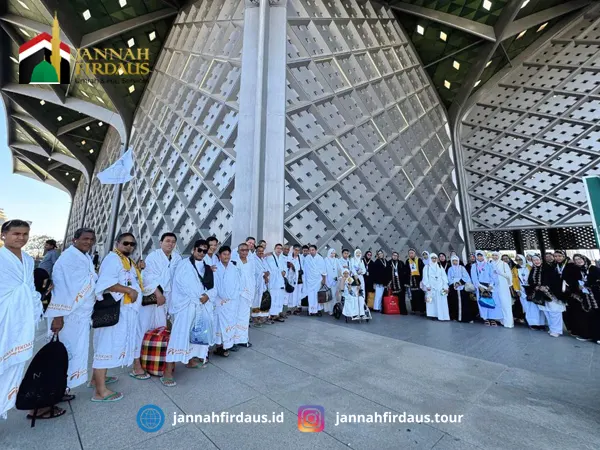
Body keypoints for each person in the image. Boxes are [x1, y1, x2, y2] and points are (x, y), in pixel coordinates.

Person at [0, 220, 47, 419]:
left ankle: (2, 406)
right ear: (3, 235)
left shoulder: (28, 259)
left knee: (15, 365)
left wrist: (36, 308)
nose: (21, 237)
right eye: (16, 233)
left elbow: (29, 287)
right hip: (3, 316)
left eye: (25, 234)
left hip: (22, 318)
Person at [92, 232, 144, 403]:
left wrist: (138, 270)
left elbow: (128, 278)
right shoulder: (112, 259)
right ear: (117, 243)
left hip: (126, 310)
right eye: (126, 243)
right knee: (106, 346)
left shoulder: (127, 261)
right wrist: (129, 290)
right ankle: (101, 392)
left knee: (108, 344)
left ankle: (96, 379)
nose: (129, 246)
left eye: (132, 244)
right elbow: (105, 283)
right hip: (115, 310)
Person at [46, 228, 97, 398]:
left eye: (91, 239)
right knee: (62, 353)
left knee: (75, 352)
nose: (88, 242)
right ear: (75, 239)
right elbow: (59, 290)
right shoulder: (67, 259)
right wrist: (58, 317)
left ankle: (62, 388)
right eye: (85, 238)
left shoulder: (86, 257)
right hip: (67, 315)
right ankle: (51, 391)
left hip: (81, 316)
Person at [163, 240, 215, 386]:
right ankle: (167, 372)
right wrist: (199, 297)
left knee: (196, 335)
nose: (202, 253)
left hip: (200, 307)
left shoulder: (207, 268)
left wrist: (208, 296)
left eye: (205, 251)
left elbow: (212, 287)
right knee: (179, 337)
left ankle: (191, 361)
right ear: (193, 249)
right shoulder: (183, 265)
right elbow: (181, 285)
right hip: (186, 307)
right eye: (200, 250)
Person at [139, 232, 182, 359]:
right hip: (155, 295)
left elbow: (179, 277)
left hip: (170, 295)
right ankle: (143, 355)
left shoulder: (177, 258)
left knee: (163, 325)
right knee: (148, 325)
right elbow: (147, 277)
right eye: (168, 241)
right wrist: (158, 293)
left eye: (173, 242)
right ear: (161, 243)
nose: (171, 244)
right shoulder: (153, 257)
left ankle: (158, 354)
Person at [564, 254, 600, 343]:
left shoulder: (593, 269)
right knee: (588, 316)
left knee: (597, 315)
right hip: (585, 297)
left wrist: (590, 284)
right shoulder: (577, 270)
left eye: (579, 259)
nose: (578, 261)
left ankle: (598, 337)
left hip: (596, 296)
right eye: (575, 260)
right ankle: (589, 335)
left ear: (584, 258)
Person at [526, 254, 565, 337]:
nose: (536, 262)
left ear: (541, 260)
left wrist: (546, 287)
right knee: (546, 311)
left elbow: (554, 280)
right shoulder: (533, 269)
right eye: (534, 260)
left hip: (551, 294)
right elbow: (530, 281)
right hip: (540, 294)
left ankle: (557, 330)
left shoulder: (548, 268)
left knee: (554, 311)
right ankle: (552, 328)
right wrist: (536, 287)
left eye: (537, 259)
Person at [213, 246, 240, 354]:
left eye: (228, 254)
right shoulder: (215, 268)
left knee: (230, 322)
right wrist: (223, 296)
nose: (226, 256)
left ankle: (227, 344)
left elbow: (237, 283)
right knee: (219, 324)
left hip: (232, 300)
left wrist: (232, 296)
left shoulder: (233, 268)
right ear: (220, 256)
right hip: (220, 301)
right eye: (224, 254)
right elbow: (215, 285)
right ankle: (219, 346)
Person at [232, 242, 257, 347]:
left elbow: (252, 277)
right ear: (238, 251)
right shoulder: (234, 262)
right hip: (238, 294)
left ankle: (243, 339)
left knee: (245, 317)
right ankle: (234, 340)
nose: (244, 252)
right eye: (242, 250)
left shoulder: (251, 262)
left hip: (248, 293)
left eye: (246, 250)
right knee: (236, 317)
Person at [470, 251, 503, 327]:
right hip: (480, 287)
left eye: (481, 256)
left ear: (483, 256)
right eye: (478, 256)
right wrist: (479, 286)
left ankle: (492, 318)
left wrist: (491, 285)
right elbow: (474, 278)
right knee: (483, 303)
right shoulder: (474, 266)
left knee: (491, 302)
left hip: (489, 287)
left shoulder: (489, 264)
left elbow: (493, 276)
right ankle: (485, 318)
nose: (479, 258)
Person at [514, 254, 546, 330]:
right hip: (522, 290)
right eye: (517, 260)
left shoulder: (530, 267)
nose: (519, 261)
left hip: (532, 289)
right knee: (527, 307)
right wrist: (517, 290)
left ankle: (541, 323)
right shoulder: (514, 269)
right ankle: (532, 323)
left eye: (520, 259)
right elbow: (514, 280)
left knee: (536, 307)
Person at [422, 254, 449, 321]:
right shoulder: (427, 266)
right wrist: (427, 285)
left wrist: (445, 286)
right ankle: (432, 314)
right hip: (430, 287)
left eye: (435, 258)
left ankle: (442, 315)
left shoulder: (440, 266)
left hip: (440, 287)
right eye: (432, 258)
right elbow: (425, 277)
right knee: (430, 301)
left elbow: (444, 276)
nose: (434, 259)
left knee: (442, 300)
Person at [447, 255, 474, 322]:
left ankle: (466, 318)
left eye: (456, 260)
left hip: (462, 288)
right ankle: (456, 317)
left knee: (465, 303)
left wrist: (459, 283)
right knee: (455, 303)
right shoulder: (450, 269)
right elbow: (449, 279)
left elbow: (466, 277)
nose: (455, 262)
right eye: (453, 261)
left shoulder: (462, 268)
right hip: (454, 289)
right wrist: (454, 284)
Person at [491, 251, 514, 328]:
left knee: (505, 304)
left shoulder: (504, 264)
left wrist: (499, 272)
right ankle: (501, 320)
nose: (494, 257)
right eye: (493, 255)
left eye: (496, 255)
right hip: (495, 287)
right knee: (498, 304)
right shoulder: (491, 264)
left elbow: (509, 276)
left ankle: (508, 322)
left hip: (503, 287)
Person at [265, 244, 287, 321]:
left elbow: (285, 268)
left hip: (280, 281)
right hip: (273, 281)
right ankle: (270, 315)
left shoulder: (282, 258)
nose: (279, 250)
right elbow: (266, 267)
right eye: (278, 248)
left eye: (281, 249)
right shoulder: (269, 257)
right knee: (272, 298)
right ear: (274, 248)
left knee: (279, 298)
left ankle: (277, 314)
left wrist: (284, 271)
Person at [304, 245, 327, 317]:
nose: (311, 251)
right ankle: (311, 310)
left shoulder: (320, 258)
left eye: (313, 250)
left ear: (316, 250)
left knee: (318, 295)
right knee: (311, 295)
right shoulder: (307, 258)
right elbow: (305, 269)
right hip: (309, 280)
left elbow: (323, 270)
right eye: (310, 250)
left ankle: (318, 310)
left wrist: (324, 279)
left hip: (318, 279)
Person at [553, 250, 573, 331]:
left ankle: (574, 327)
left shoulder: (570, 264)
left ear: (564, 256)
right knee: (563, 310)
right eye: (556, 256)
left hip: (569, 290)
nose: (558, 258)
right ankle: (569, 327)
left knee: (571, 309)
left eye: (559, 256)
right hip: (559, 291)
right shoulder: (555, 265)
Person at [251, 245, 270, 325]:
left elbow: (267, 270)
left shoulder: (263, 260)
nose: (261, 252)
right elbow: (254, 272)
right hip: (256, 284)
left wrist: (267, 274)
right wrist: (263, 274)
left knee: (263, 301)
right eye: (259, 251)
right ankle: (255, 319)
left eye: (262, 251)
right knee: (256, 301)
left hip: (263, 284)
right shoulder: (253, 260)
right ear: (256, 251)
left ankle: (262, 318)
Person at [505, 255, 525, 324]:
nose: (505, 260)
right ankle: (515, 316)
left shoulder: (515, 266)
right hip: (510, 287)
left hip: (520, 287)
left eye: (506, 258)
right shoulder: (503, 267)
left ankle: (521, 317)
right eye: (503, 259)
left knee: (519, 302)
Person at [406, 249, 426, 315]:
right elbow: (406, 271)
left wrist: (422, 280)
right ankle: (414, 309)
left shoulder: (419, 260)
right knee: (412, 296)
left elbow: (423, 270)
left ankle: (422, 310)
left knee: (420, 295)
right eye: (410, 253)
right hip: (411, 279)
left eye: (412, 253)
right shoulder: (407, 261)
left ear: (415, 253)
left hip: (419, 280)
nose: (411, 254)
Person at [323, 248, 338, 315]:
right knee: (329, 295)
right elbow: (324, 270)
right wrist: (325, 280)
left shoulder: (337, 260)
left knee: (334, 295)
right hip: (328, 279)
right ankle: (329, 309)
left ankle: (334, 309)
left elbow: (340, 268)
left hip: (335, 280)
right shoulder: (325, 260)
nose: (333, 254)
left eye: (334, 253)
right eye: (331, 253)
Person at [288, 244, 302, 315]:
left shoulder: (301, 258)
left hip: (298, 279)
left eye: (298, 250)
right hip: (290, 278)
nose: (297, 252)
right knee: (290, 293)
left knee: (298, 293)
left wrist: (295, 269)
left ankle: (296, 307)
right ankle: (289, 308)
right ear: (293, 249)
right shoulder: (289, 257)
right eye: (295, 250)